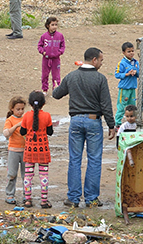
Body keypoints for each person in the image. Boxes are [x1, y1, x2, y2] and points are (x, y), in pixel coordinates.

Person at [53, 47, 115, 208]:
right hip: (93, 121)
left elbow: (57, 94)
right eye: (101, 60)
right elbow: (106, 104)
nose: (101, 63)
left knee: (75, 159)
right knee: (94, 159)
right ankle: (91, 198)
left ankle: (73, 198)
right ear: (94, 60)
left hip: (75, 121)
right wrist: (111, 125)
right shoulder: (100, 79)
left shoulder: (72, 76)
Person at [20, 91, 54, 208]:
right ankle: (44, 200)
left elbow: (22, 132)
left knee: (28, 175)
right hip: (43, 150)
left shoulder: (26, 116)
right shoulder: (47, 116)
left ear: (30, 104)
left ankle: (28, 199)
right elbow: (50, 132)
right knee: (43, 175)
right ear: (43, 104)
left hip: (29, 150)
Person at [3, 96, 27, 205]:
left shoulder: (26, 118)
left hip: (25, 150)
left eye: (22, 109)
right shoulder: (10, 120)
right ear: (12, 109)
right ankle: (10, 194)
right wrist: (17, 125)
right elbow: (6, 133)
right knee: (12, 174)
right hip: (13, 150)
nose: (20, 111)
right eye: (18, 109)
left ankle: (26, 194)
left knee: (26, 174)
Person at [37, 17, 65, 95]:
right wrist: (43, 52)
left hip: (56, 59)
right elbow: (39, 45)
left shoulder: (60, 36)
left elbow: (63, 46)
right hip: (46, 59)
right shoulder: (44, 36)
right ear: (47, 25)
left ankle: (56, 90)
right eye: (52, 25)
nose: (54, 26)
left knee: (56, 75)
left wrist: (59, 52)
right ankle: (45, 89)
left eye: (56, 24)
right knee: (45, 75)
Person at [114, 42, 139, 128]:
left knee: (133, 106)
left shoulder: (136, 62)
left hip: (132, 89)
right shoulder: (121, 63)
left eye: (132, 51)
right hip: (124, 89)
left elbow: (140, 73)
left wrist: (136, 72)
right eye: (129, 51)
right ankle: (117, 123)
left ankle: (133, 122)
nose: (131, 53)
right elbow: (117, 74)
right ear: (123, 52)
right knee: (122, 106)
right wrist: (126, 74)